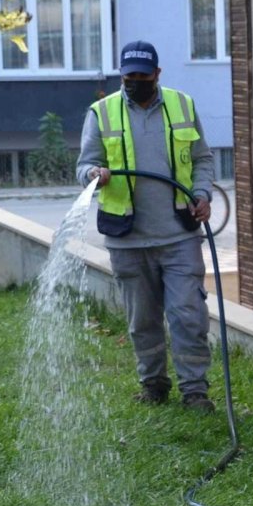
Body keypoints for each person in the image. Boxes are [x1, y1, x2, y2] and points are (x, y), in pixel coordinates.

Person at [76, 40, 216, 413]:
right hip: (127, 240)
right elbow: (82, 167)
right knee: (143, 320)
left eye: (142, 75)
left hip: (179, 235)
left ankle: (195, 391)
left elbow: (202, 159)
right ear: (121, 75)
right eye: (128, 76)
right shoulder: (101, 113)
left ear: (157, 74)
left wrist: (201, 194)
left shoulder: (182, 105)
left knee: (188, 315)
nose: (135, 81)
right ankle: (153, 384)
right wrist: (94, 174)